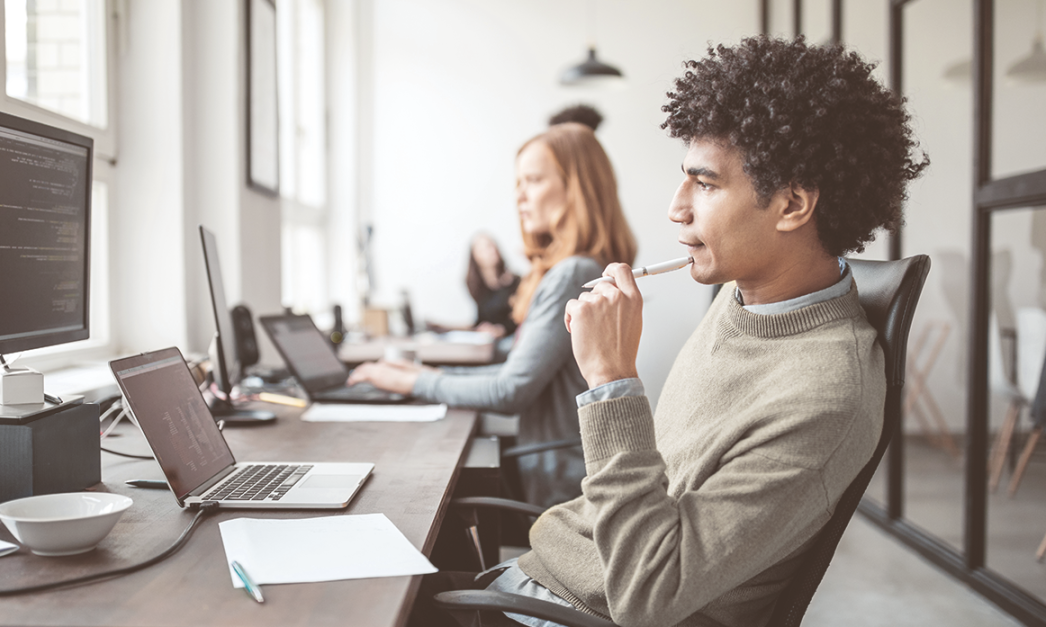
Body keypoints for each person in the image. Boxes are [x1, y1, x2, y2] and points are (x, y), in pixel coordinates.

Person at [418, 36, 929, 627]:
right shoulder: (744, 298)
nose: (675, 208)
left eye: (705, 184)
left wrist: (611, 380)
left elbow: (650, 596)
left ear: (791, 204)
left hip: (569, 613)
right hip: (538, 580)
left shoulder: (826, 394)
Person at [349, 122, 638, 507]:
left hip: (561, 483)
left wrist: (415, 383)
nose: (519, 196)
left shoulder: (573, 273)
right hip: (554, 469)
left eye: (533, 180)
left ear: (576, 189)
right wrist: (426, 375)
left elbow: (510, 390)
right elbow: (517, 370)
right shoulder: (578, 268)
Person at [466, 233, 521, 340]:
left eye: (491, 246)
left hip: (511, 336)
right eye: (483, 249)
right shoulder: (476, 286)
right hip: (488, 338)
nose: (490, 251)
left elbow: (520, 317)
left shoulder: (515, 281)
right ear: (475, 256)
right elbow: (480, 319)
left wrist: (501, 329)